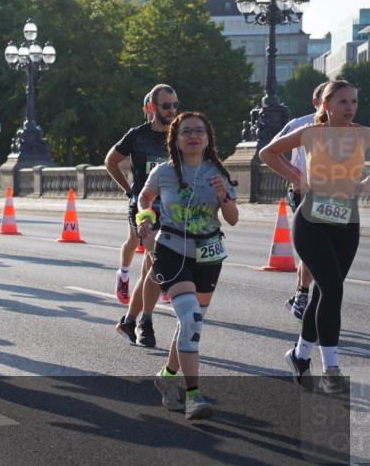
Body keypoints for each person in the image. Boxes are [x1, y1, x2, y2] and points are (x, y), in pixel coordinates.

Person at [260, 80, 369, 395]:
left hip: (347, 223)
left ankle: (299, 355)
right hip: (311, 220)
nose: (349, 108)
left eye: (353, 102)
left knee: (324, 293)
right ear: (326, 105)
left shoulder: (362, 133)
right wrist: (297, 177)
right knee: (333, 290)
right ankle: (331, 368)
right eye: (343, 102)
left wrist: (364, 183)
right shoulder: (311, 134)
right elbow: (269, 153)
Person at [138, 111, 238, 420]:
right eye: (186, 132)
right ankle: (194, 395)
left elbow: (233, 219)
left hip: (208, 254)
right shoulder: (163, 172)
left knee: (190, 324)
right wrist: (147, 219)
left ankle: (167, 377)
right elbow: (144, 198)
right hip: (170, 250)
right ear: (176, 139)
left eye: (199, 131)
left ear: (208, 139)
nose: (193, 136)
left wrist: (223, 197)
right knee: (191, 318)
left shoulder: (217, 172)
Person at [105, 84, 179, 347]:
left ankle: (129, 321)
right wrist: (129, 191)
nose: (172, 110)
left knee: (151, 267)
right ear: (153, 108)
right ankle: (144, 322)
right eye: (166, 106)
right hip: (143, 208)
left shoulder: (179, 134)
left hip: (170, 210)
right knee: (156, 258)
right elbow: (110, 161)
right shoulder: (137, 136)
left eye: (175, 105)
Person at [271, 81, 329, 320]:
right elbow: (270, 149)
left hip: (333, 195)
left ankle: (300, 294)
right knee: (313, 248)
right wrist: (294, 175)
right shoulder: (299, 124)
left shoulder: (347, 128)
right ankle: (304, 293)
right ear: (317, 103)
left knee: (323, 250)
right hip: (303, 194)